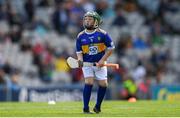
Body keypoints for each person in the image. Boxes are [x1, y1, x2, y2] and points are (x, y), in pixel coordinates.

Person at [75, 11, 115, 114]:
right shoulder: (80, 36)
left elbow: (111, 48)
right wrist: (80, 60)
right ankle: (85, 108)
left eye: (90, 19)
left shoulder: (103, 34)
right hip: (87, 64)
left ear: (96, 21)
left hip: (100, 64)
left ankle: (97, 106)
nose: (87, 21)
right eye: (86, 19)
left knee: (103, 84)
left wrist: (103, 60)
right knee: (89, 82)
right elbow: (79, 52)